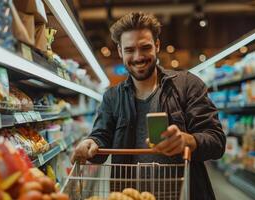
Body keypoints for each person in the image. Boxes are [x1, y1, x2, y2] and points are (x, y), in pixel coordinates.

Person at [71, 12, 226, 200]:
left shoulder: (187, 85)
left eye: (145, 47)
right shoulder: (112, 97)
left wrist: (188, 141)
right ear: (120, 51)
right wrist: (91, 143)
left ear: (157, 46)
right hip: (130, 196)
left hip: (186, 194)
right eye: (129, 50)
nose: (138, 57)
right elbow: (101, 137)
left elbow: (216, 142)